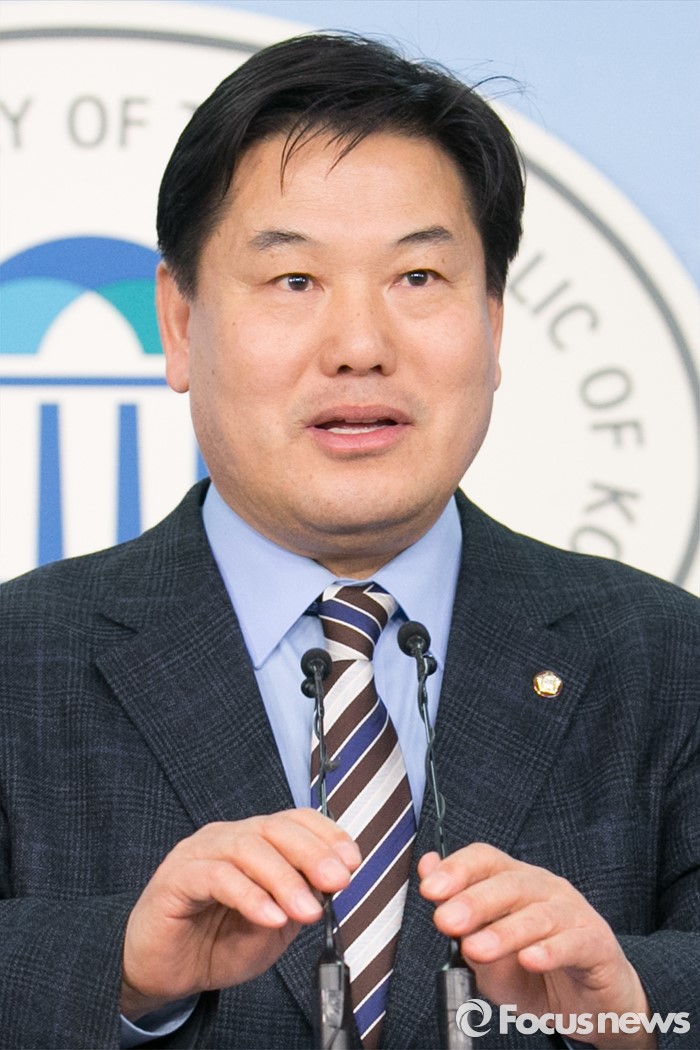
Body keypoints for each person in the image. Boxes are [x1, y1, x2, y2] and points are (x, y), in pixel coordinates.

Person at [1, 31, 698, 1050]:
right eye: (294, 281)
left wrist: (633, 1011)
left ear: (494, 323)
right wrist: (119, 969)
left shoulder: (667, 657)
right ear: (179, 323)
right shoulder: (19, 661)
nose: (361, 347)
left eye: (417, 277)